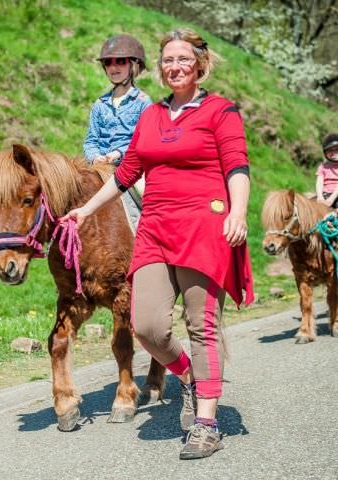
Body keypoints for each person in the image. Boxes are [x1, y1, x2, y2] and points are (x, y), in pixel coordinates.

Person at [63, 28, 254, 460]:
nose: (174, 66)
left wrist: (237, 213)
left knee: (201, 324)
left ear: (199, 65)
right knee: (147, 325)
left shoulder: (220, 112)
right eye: (168, 59)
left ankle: (206, 422)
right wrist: (87, 210)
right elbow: (126, 171)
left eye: (183, 59)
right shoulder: (151, 117)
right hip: (155, 228)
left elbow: (237, 166)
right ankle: (187, 377)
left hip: (203, 227)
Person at [83, 34, 152, 166]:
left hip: (132, 168)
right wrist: (94, 157)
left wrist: (120, 153)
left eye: (120, 61)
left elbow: (146, 141)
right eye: (108, 63)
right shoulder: (100, 104)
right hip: (101, 167)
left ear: (133, 65)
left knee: (145, 187)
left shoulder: (143, 103)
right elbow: (90, 141)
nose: (113, 67)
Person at [316, 133, 338, 208]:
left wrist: (331, 199)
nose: (334, 153)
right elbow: (319, 182)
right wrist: (320, 196)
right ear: (325, 153)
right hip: (325, 193)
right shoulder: (323, 166)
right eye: (330, 150)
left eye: (337, 149)